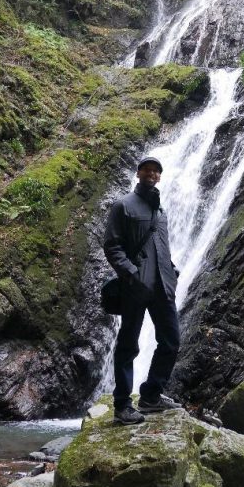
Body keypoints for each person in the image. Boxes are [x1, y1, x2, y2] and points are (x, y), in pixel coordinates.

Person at [103, 156, 183, 425]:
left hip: (162, 286)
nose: (152, 173)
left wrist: (172, 270)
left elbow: (162, 247)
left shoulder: (161, 213)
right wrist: (131, 274)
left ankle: (150, 395)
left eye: (156, 171)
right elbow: (112, 246)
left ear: (160, 177)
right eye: (147, 169)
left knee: (171, 341)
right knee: (128, 346)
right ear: (138, 173)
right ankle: (122, 404)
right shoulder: (123, 206)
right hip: (135, 288)